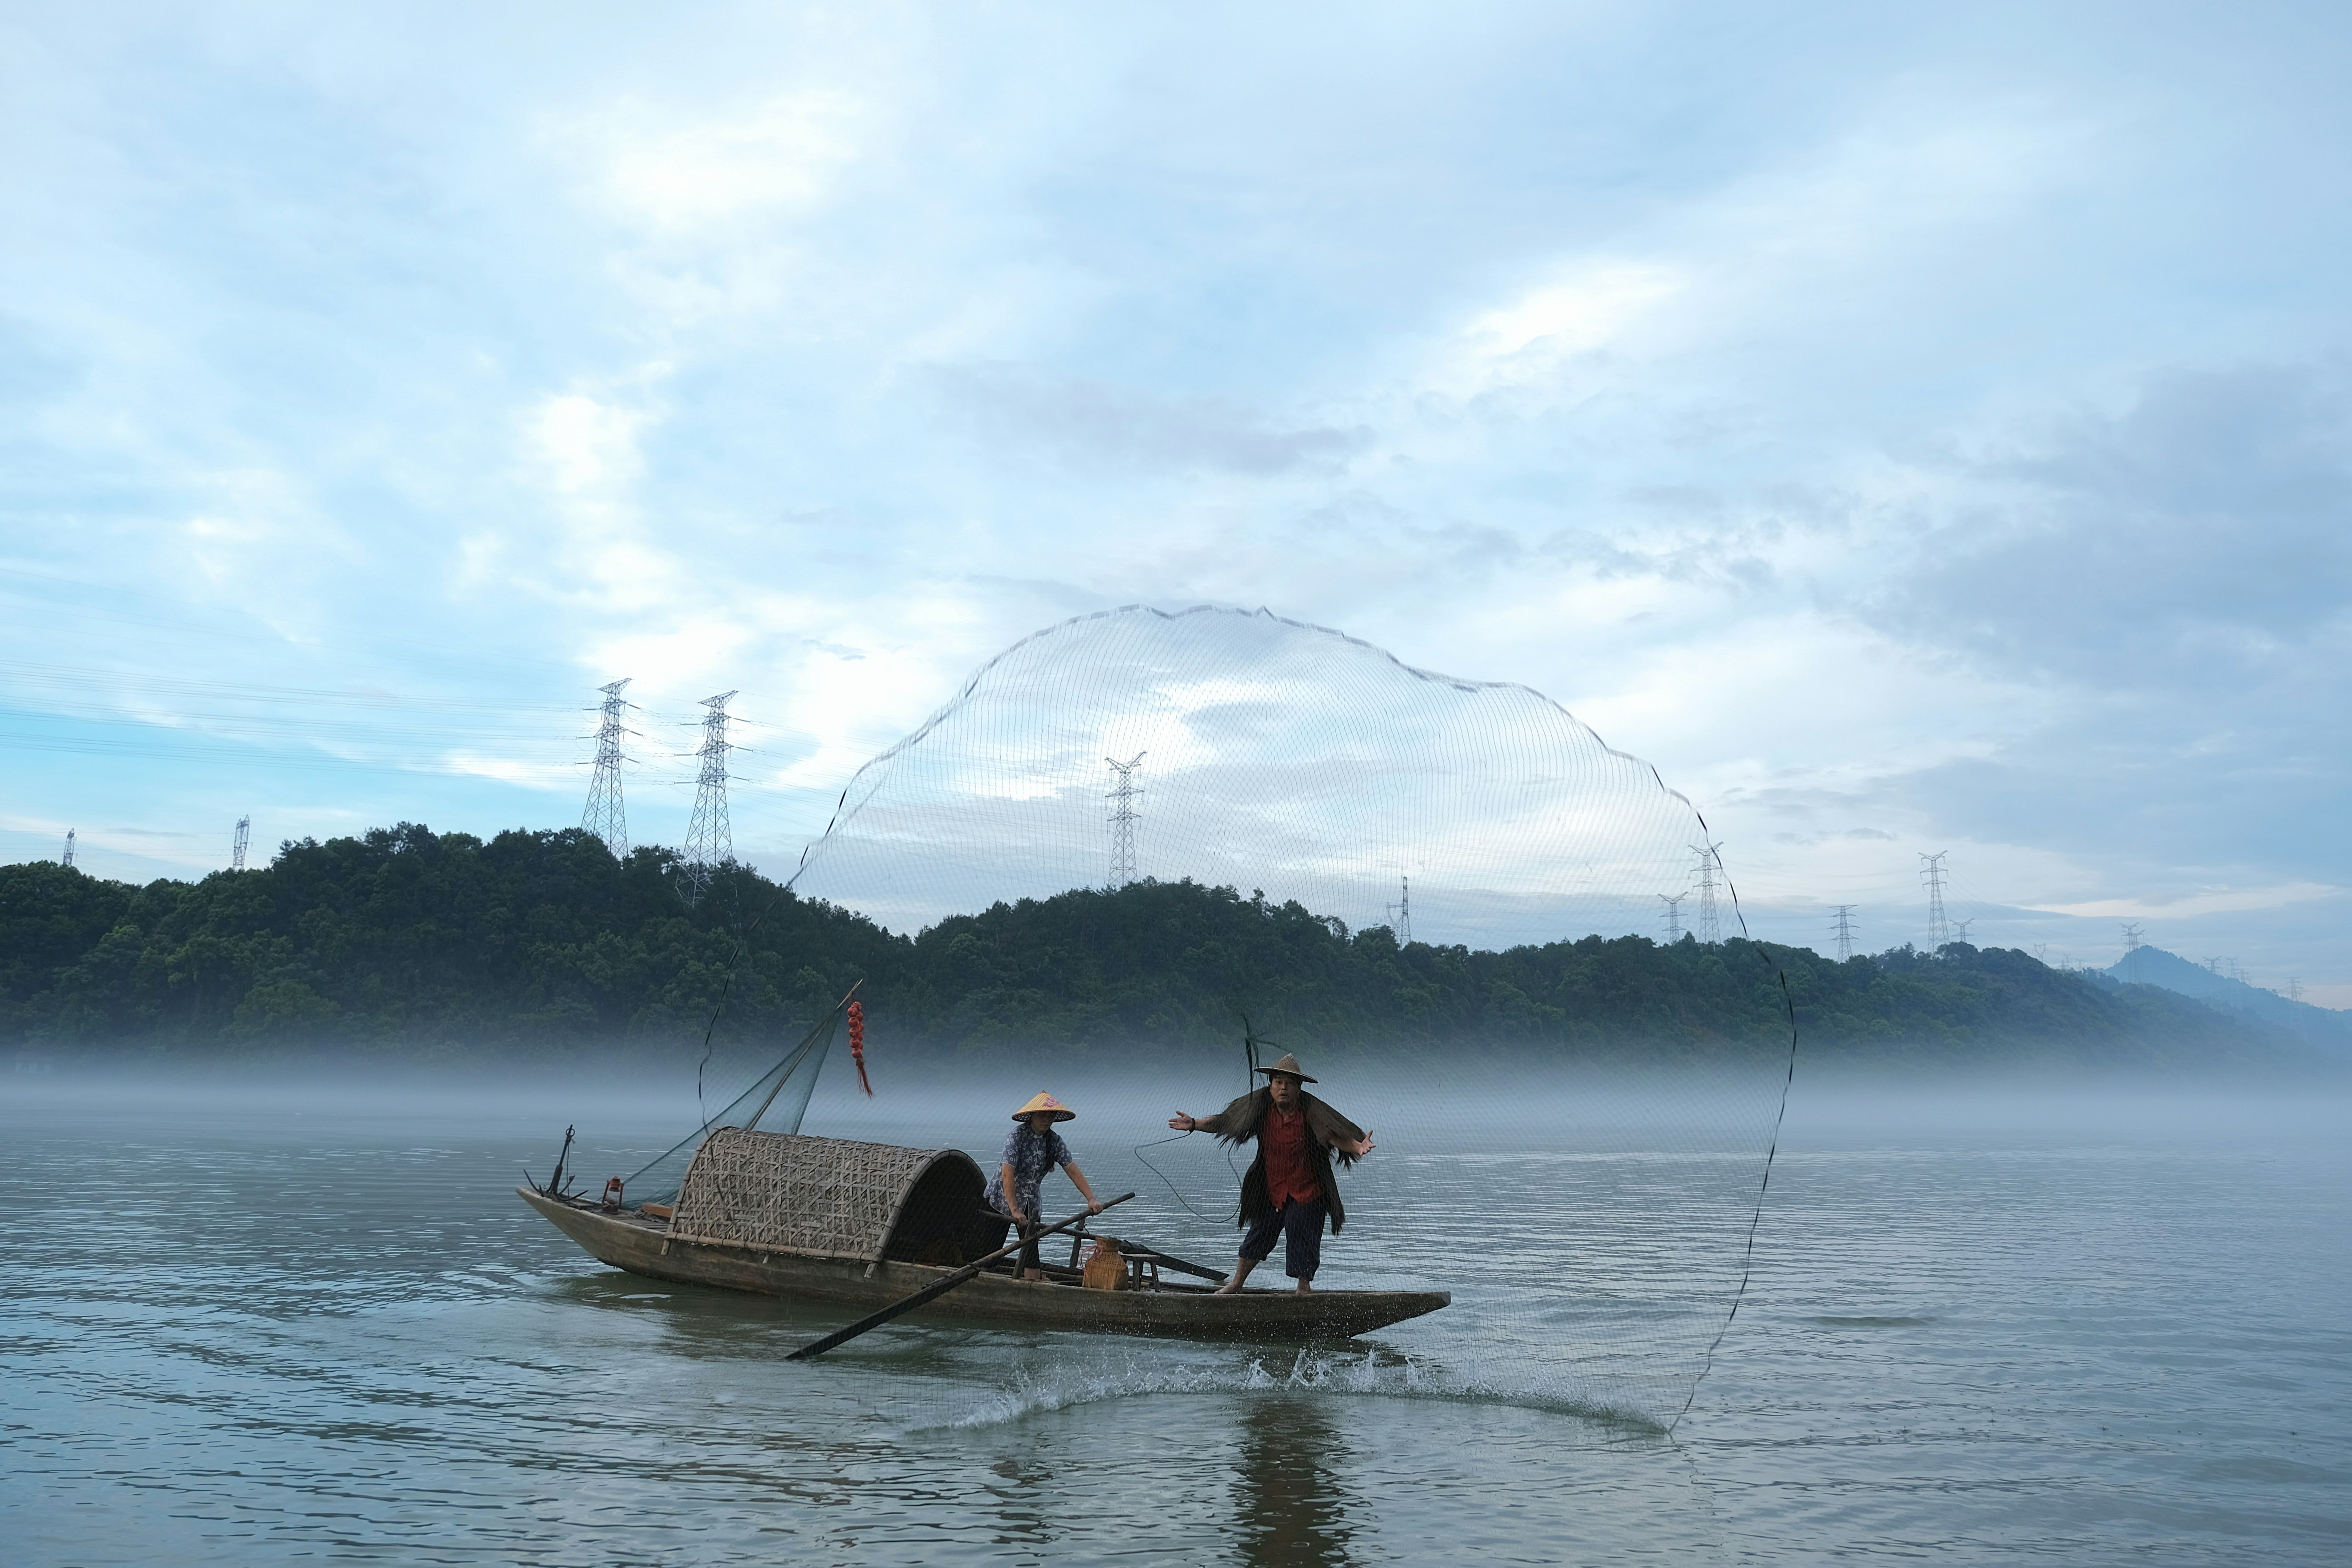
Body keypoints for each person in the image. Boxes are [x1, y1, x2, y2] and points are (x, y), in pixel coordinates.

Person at [1167, 1053, 1375, 1295]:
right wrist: (1194, 1124)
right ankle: (1236, 1284)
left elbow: (1333, 1136)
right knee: (1259, 1234)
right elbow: (1226, 1122)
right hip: (1273, 1189)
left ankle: (1303, 1288)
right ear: (1271, 1085)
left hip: (1308, 1190)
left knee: (1302, 1232)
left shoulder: (1311, 1113)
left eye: (1289, 1083)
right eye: (1278, 1081)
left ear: (1299, 1088)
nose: (1283, 1087)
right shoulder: (1260, 1109)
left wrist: (1357, 1146)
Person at [987, 1092, 1105, 1281]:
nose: (1047, 1120)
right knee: (989, 1253)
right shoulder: (1016, 1137)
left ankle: (1031, 1284)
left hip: (1031, 1206)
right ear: (1032, 1116)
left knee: (1032, 1260)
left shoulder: (1054, 1142)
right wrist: (1015, 1211)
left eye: (1050, 1116)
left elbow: (1073, 1170)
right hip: (1001, 1202)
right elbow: (1007, 1174)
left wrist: (1091, 1199)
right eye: (1043, 1115)